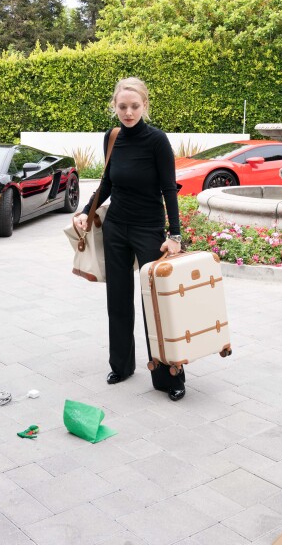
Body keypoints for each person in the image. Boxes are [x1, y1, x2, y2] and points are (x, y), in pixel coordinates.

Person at [73, 77, 185, 401]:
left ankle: (170, 376)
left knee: (158, 305)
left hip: (148, 229)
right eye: (122, 106)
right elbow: (107, 183)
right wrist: (86, 211)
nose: (128, 112)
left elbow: (168, 189)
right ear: (114, 107)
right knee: (118, 301)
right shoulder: (111, 139)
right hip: (116, 228)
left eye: (135, 106)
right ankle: (121, 365)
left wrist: (174, 235)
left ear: (145, 106)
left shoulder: (157, 142)